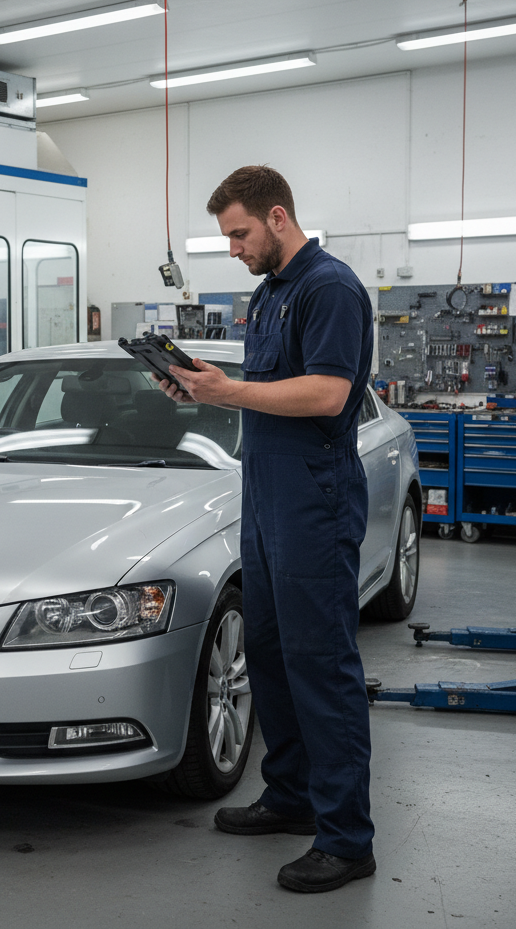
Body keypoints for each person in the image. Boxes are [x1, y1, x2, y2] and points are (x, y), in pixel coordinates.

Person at [157, 166, 375, 893]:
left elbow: (326, 391)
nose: (233, 249)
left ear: (278, 217)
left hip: (314, 500)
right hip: (265, 498)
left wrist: (232, 389)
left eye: (239, 233)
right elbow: (267, 399)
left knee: (323, 664)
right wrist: (200, 388)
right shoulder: (270, 294)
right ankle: (290, 795)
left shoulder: (329, 288)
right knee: (272, 652)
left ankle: (346, 837)